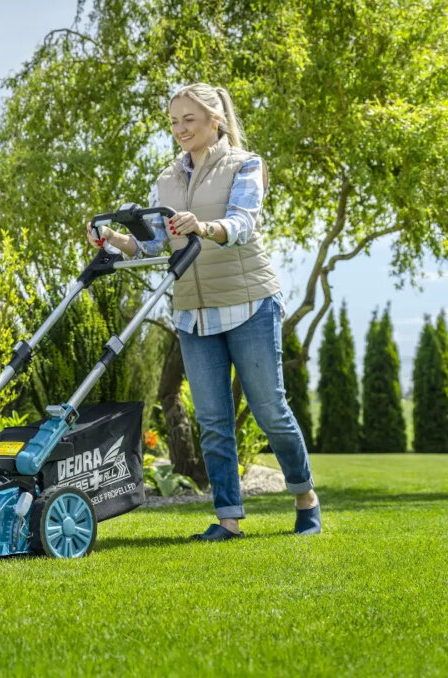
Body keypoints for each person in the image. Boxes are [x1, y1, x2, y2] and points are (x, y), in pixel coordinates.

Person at [85, 82, 321, 540]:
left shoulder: (245, 165)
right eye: (173, 121)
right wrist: (113, 240)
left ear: (215, 119)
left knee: (270, 410)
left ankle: (305, 496)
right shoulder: (166, 178)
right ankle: (229, 519)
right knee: (212, 420)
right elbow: (155, 243)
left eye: (188, 119)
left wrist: (205, 226)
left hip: (249, 301)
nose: (179, 129)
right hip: (193, 310)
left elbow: (244, 222)